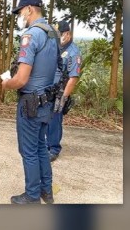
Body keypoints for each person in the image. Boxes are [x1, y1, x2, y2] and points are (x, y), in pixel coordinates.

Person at [1, 0, 58, 204]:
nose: (19, 17)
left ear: (29, 9)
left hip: (31, 104)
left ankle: (32, 196)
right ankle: (46, 191)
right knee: (41, 147)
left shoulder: (31, 35)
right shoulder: (52, 32)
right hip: (47, 102)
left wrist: (7, 83)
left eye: (20, 13)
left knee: (29, 151)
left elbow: (22, 79)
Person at [46, 20, 82, 162]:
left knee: (55, 120)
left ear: (67, 34)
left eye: (59, 34)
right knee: (45, 119)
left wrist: (64, 98)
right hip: (47, 89)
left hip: (60, 92)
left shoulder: (73, 52)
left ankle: (54, 148)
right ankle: (45, 144)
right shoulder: (55, 48)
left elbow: (73, 78)